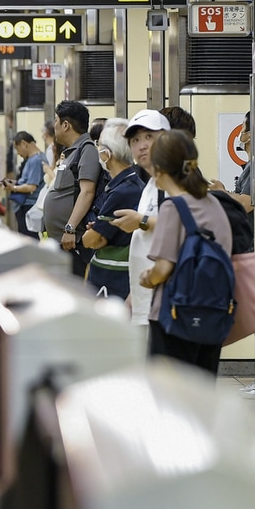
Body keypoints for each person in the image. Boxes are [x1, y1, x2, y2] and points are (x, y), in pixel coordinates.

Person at [138, 129, 231, 373]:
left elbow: (163, 268)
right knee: (200, 397)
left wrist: (147, 278)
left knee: (170, 402)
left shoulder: (173, 207)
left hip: (174, 317)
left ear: (158, 169)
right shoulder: (214, 203)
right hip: (212, 314)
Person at [111, 110, 170, 327]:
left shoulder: (177, 180)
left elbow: (185, 223)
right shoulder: (152, 185)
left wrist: (141, 221)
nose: (141, 145)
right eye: (135, 140)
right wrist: (133, 297)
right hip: (149, 303)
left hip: (169, 305)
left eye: (149, 137)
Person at [82, 119, 145, 300]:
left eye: (99, 145)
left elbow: (90, 240)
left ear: (108, 154)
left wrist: (96, 234)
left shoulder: (122, 191)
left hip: (112, 278)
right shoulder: (128, 183)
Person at [42, 100, 102, 277]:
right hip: (61, 241)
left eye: (56, 121)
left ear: (66, 125)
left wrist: (70, 228)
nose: (54, 125)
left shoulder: (87, 149)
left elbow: (87, 191)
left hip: (71, 241)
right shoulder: (71, 152)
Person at [4, 131, 45, 237]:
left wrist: (13, 187)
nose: (18, 153)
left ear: (24, 144)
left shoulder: (35, 160)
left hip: (29, 206)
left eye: (17, 149)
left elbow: (31, 186)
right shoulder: (35, 159)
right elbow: (27, 181)